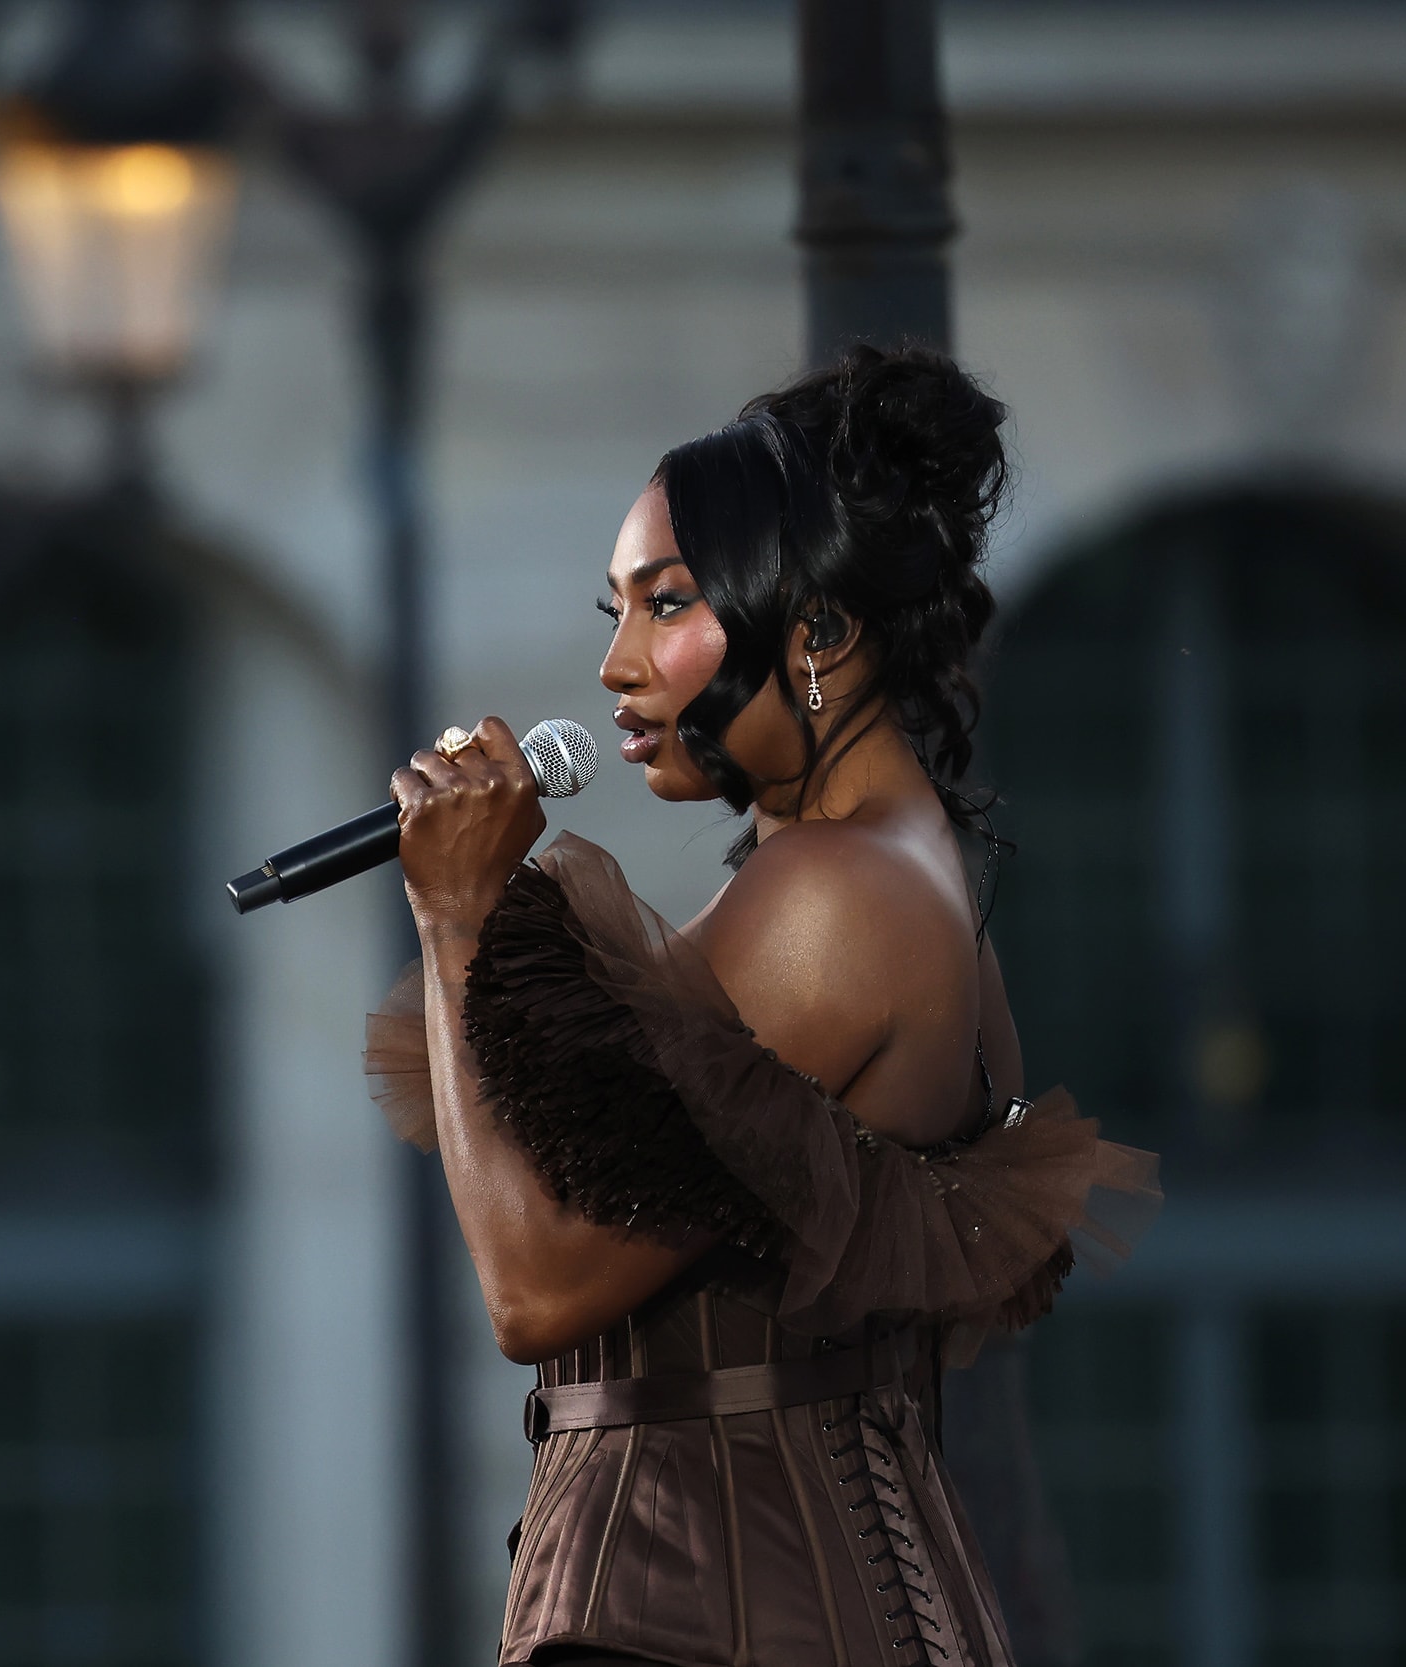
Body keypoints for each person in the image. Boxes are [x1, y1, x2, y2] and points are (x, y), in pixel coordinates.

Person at [364, 346, 1160, 1666]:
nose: (617, 665)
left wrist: (458, 919)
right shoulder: (881, 877)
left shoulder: (839, 898)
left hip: (730, 1622)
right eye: (613, 609)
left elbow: (538, 1288)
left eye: (664, 604)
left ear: (821, 635)